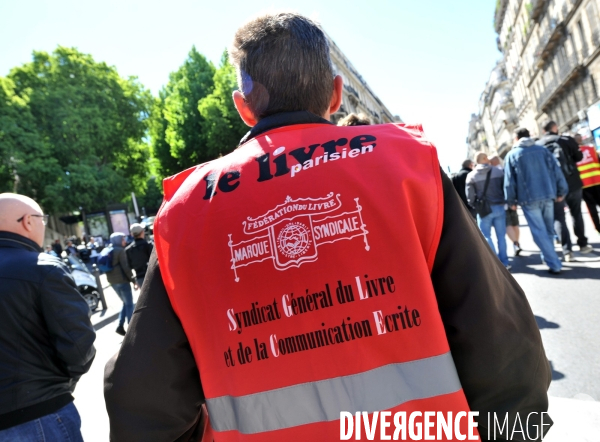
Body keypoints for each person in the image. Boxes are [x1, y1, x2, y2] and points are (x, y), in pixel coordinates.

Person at [105, 13, 552, 441]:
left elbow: (141, 395)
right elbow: (503, 342)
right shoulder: (406, 166)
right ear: (336, 94)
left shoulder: (183, 211)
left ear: (243, 108)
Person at [0, 193, 96, 441]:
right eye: (42, 219)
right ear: (27, 221)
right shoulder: (42, 267)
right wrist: (61, 385)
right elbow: (79, 346)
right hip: (39, 416)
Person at [504, 128, 568, 274]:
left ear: (516, 138)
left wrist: (511, 201)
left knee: (540, 232)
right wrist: (561, 190)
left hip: (528, 199)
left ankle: (554, 263)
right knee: (548, 230)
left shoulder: (512, 155)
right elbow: (556, 171)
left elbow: (509, 182)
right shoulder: (543, 150)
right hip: (548, 194)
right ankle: (549, 258)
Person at [539, 120, 593, 254]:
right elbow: (579, 157)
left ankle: (567, 250)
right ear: (555, 128)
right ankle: (582, 244)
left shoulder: (539, 145)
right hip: (573, 183)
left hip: (554, 187)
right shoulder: (566, 140)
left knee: (559, 217)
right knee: (576, 213)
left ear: (544, 130)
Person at [466, 152, 510, 268]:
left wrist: (475, 205)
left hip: (484, 210)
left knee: (486, 236)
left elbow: (469, 197)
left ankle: (497, 265)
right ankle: (505, 262)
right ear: (485, 158)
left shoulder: (471, 175)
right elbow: (505, 187)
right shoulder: (497, 171)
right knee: (501, 236)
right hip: (499, 206)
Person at [106, 232, 137, 336]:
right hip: (123, 281)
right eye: (123, 239)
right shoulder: (120, 251)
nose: (125, 241)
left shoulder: (108, 250)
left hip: (112, 282)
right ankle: (131, 329)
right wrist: (133, 280)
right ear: (118, 240)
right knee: (129, 304)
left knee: (125, 303)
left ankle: (120, 326)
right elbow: (126, 268)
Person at [575, 134, 600, 234]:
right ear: (581, 140)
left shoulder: (573, 154)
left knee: (592, 208)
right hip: (597, 181)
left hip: (584, 184)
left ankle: (598, 228)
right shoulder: (591, 149)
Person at [125, 223, 153, 288]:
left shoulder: (128, 249)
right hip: (153, 276)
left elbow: (129, 266)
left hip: (139, 278)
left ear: (132, 234)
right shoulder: (148, 245)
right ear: (142, 232)